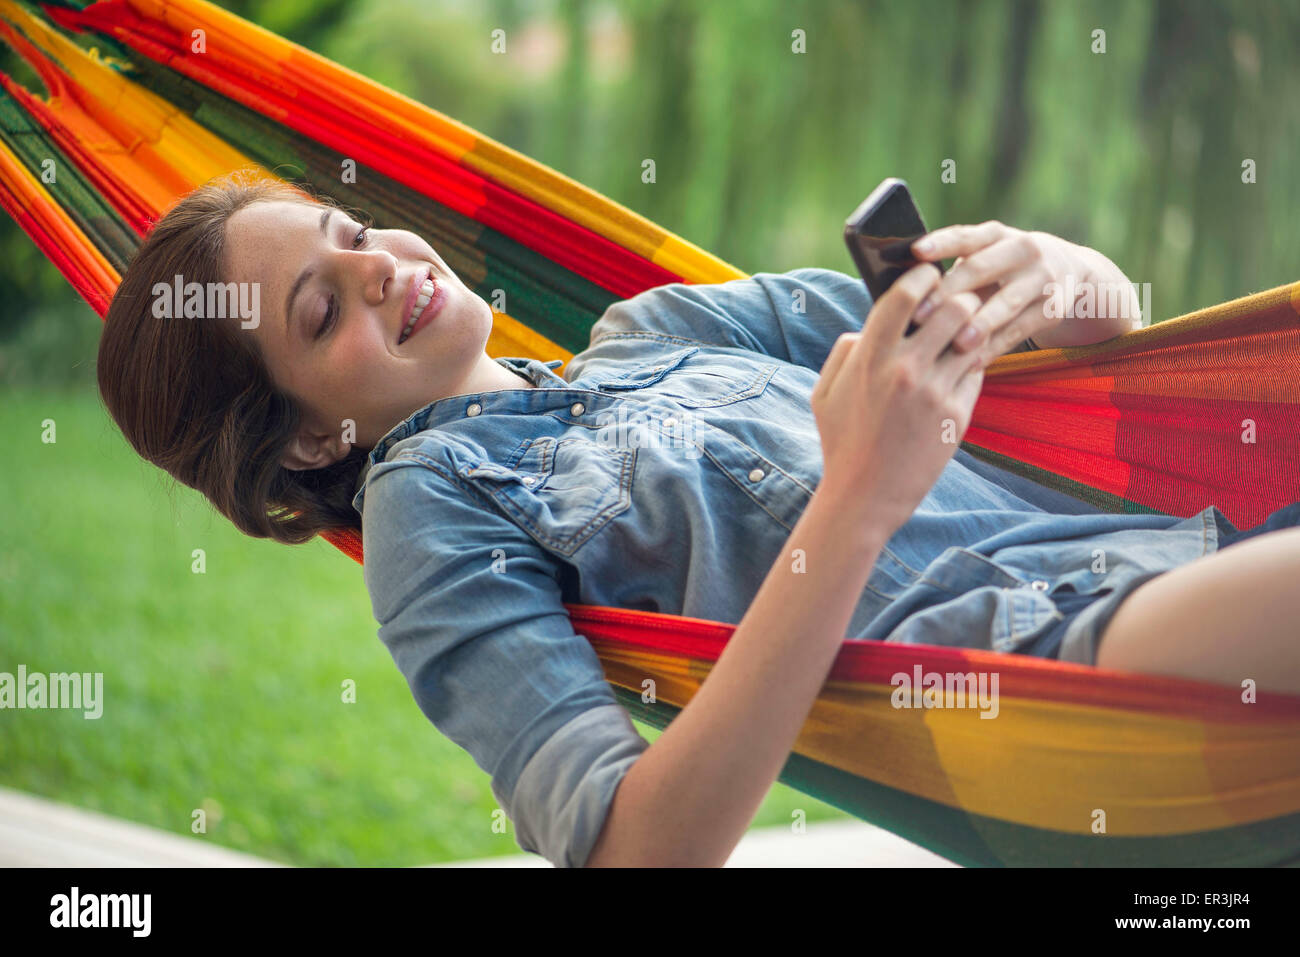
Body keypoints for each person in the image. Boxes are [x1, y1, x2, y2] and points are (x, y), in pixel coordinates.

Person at [96, 169, 1300, 867]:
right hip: (1059, 666)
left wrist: (1050, 264)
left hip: (1187, 537)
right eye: (321, 309)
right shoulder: (433, 520)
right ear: (306, 440)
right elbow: (634, 851)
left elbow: (1092, 342)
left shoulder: (660, 330)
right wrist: (855, 505)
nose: (377, 267)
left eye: (349, 234)